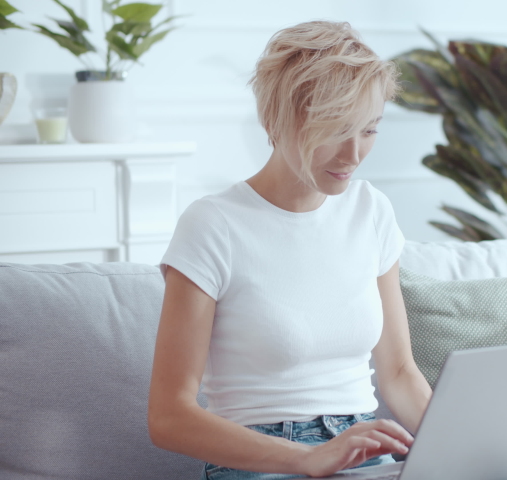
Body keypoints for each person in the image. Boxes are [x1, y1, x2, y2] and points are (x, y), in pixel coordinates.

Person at [147, 20, 433, 480]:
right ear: (275, 120)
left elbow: (399, 374)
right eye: (336, 129)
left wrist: (466, 449)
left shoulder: (372, 211)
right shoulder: (213, 226)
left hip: (365, 454)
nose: (354, 154)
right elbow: (168, 416)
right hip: (261, 460)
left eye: (369, 130)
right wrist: (305, 457)